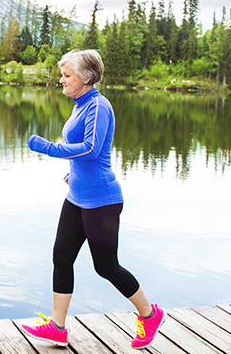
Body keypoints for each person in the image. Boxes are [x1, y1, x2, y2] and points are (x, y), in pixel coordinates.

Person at [21, 49, 165, 349]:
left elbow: (91, 149)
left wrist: (49, 148)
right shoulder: (80, 104)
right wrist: (72, 175)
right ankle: (58, 327)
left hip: (102, 201)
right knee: (61, 257)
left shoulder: (99, 105)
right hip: (77, 197)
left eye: (67, 75)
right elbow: (82, 157)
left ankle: (150, 315)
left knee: (106, 267)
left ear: (86, 78)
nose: (61, 80)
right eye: (62, 74)